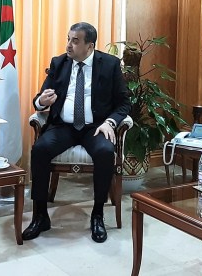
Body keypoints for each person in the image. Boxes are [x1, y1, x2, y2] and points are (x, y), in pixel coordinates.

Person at [23, 22, 130, 243]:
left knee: (104, 152)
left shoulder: (109, 65)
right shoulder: (59, 63)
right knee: (40, 149)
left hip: (95, 127)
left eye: (75, 41)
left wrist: (110, 122)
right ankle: (40, 215)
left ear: (90, 46)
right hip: (64, 127)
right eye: (68, 39)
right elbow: (39, 98)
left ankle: (97, 215)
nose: (68, 45)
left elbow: (124, 103)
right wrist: (42, 102)